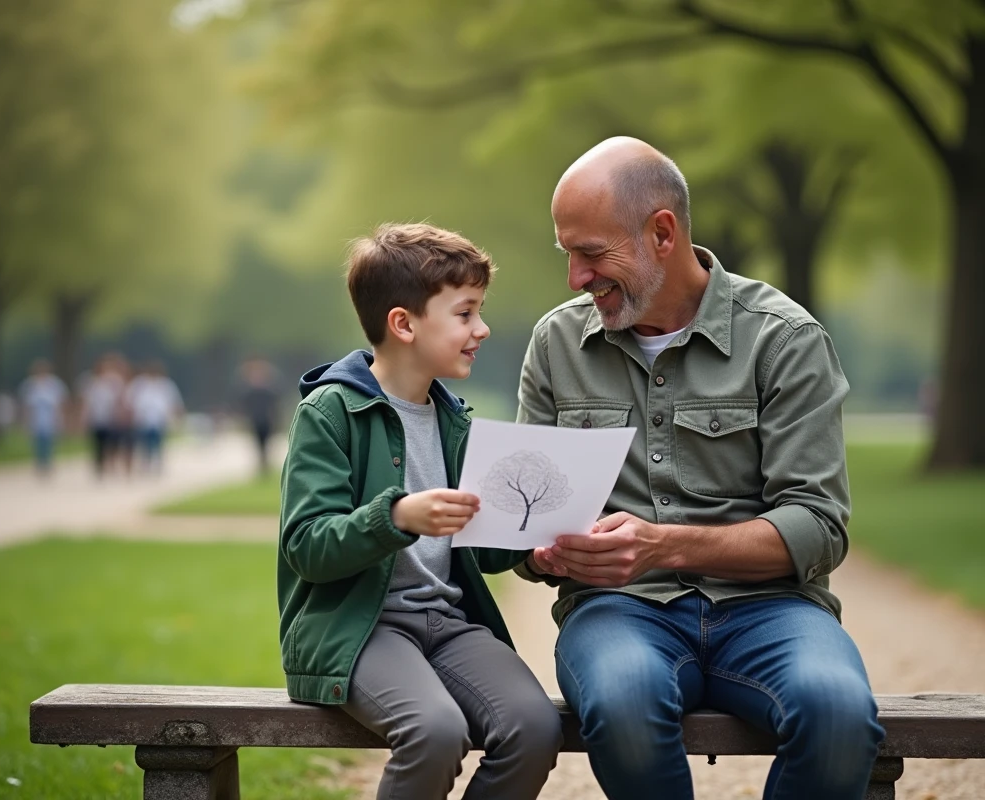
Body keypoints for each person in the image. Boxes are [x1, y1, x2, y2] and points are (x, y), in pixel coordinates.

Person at [515, 138, 884, 800]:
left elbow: (819, 526)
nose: (575, 277)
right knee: (624, 708)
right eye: (567, 254)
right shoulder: (555, 345)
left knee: (838, 715)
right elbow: (524, 521)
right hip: (617, 611)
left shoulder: (784, 338)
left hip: (772, 608)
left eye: (592, 254)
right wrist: (542, 551)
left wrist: (665, 543)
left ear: (662, 232)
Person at [278, 223, 562, 800]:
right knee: (434, 731)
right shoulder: (330, 413)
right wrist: (398, 516)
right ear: (404, 324)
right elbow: (307, 545)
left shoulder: (453, 419)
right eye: (465, 313)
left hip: (447, 624)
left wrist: (542, 543)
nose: (481, 329)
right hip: (358, 628)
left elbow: (480, 548)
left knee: (535, 728)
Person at [125, 361, 184, 474]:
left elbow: (173, 402)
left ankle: (156, 464)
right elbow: (130, 401)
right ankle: (146, 464)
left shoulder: (165, 385)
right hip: (142, 420)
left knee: (157, 443)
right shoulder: (140, 385)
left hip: (159, 420)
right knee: (144, 444)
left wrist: (177, 416)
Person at [18, 359, 68, 476]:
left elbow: (61, 403)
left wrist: (62, 418)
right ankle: (40, 463)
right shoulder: (30, 385)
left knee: (49, 442)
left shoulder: (55, 384)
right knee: (37, 443)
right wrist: (25, 419)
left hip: (50, 418)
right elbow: (26, 405)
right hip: (35, 419)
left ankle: (48, 463)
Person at [80, 353, 126, 477]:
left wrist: (120, 414)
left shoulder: (114, 382)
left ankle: (111, 463)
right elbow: (86, 402)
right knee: (98, 444)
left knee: (112, 443)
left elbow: (119, 400)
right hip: (96, 418)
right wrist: (84, 417)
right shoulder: (90, 382)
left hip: (111, 418)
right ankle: (100, 465)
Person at [238, 357, 279, 475]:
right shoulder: (249, 392)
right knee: (258, 444)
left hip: (266, 421)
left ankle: (265, 465)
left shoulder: (268, 391)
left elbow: (275, 406)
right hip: (255, 421)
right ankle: (262, 465)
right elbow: (244, 406)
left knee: (266, 444)